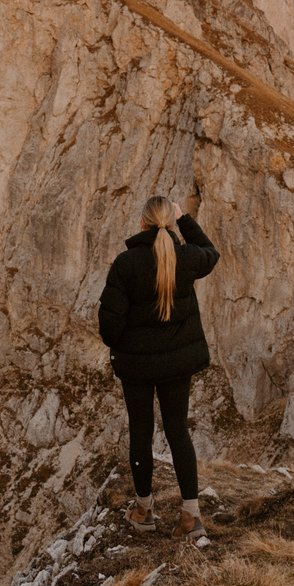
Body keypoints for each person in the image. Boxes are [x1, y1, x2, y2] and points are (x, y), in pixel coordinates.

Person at [98, 194, 220, 543]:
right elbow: (211, 252)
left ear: (142, 224)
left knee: (141, 430)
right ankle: (191, 517)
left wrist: (125, 344)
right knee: (178, 430)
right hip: (177, 365)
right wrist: (184, 220)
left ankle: (144, 510)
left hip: (136, 366)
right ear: (170, 221)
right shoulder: (186, 258)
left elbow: (110, 327)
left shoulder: (126, 264)